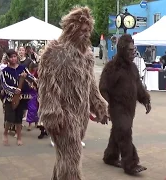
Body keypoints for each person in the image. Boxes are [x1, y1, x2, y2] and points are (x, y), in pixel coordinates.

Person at [38, 6, 108, 179]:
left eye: (88, 30)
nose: (86, 34)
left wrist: (99, 105)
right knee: (72, 156)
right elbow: (47, 86)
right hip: (63, 116)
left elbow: (90, 84)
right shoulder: (54, 52)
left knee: (65, 157)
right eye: (83, 30)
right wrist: (51, 112)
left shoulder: (88, 56)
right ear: (72, 29)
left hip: (80, 116)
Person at [99, 34, 151, 175]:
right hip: (117, 108)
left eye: (133, 50)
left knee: (119, 131)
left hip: (130, 109)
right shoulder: (111, 68)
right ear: (122, 50)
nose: (132, 52)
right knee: (125, 132)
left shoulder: (133, 68)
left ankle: (110, 156)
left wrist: (145, 99)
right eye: (129, 50)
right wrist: (105, 107)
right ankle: (131, 164)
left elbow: (139, 87)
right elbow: (102, 88)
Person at [1, 49, 37, 146]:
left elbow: (31, 77)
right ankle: (5, 133)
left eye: (15, 56)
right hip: (10, 98)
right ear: (8, 58)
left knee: (19, 119)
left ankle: (19, 137)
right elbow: (4, 85)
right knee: (9, 119)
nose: (13, 59)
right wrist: (13, 90)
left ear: (17, 57)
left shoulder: (23, 68)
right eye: (11, 57)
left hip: (21, 97)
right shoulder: (4, 71)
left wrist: (37, 81)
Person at [26, 62, 39, 131]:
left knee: (37, 109)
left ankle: (36, 122)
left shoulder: (37, 73)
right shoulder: (28, 74)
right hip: (30, 93)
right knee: (31, 109)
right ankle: (30, 124)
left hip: (36, 92)